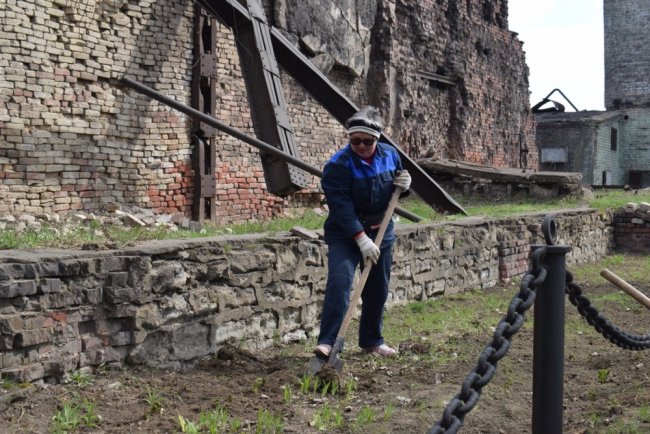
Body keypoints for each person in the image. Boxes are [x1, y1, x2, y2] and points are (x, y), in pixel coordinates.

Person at [313, 106, 411, 358]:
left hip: (381, 230)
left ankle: (372, 341)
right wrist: (360, 238)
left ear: (377, 140)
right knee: (341, 281)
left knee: (378, 288)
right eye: (355, 141)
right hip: (345, 233)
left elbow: (398, 182)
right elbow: (341, 207)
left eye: (367, 141)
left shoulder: (390, 155)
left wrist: (405, 185)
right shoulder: (338, 165)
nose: (361, 146)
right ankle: (329, 342)